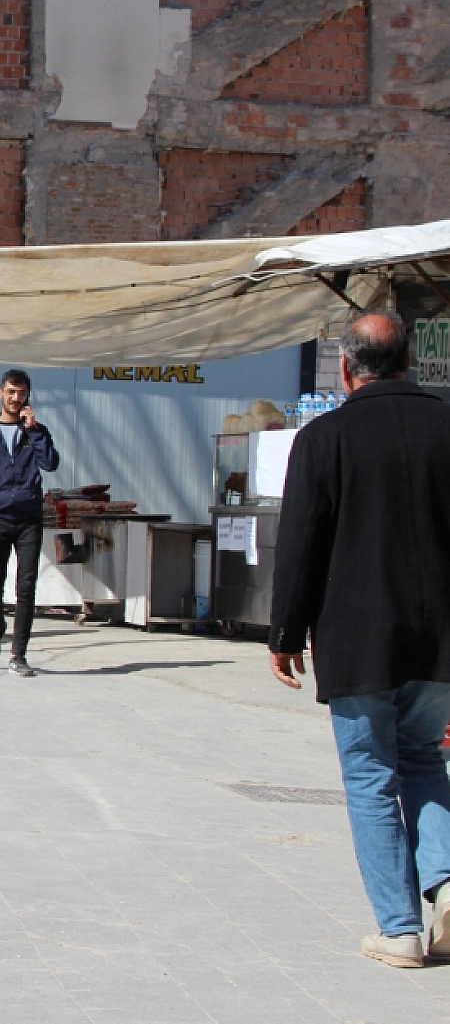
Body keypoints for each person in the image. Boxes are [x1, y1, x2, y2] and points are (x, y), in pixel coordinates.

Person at [270, 311, 450, 969]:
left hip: (358, 638)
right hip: (440, 641)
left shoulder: (325, 437)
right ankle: (448, 880)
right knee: (426, 759)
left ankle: (400, 928)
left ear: (346, 369)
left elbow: (299, 546)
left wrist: (285, 632)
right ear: (410, 362)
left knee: (372, 776)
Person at [0, 369, 59, 676]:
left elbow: (50, 463)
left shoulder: (35, 432)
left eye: (21, 393)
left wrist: (34, 432)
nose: (16, 398)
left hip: (29, 518)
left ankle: (19, 653)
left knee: (26, 587)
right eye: (11, 392)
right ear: (0, 393)